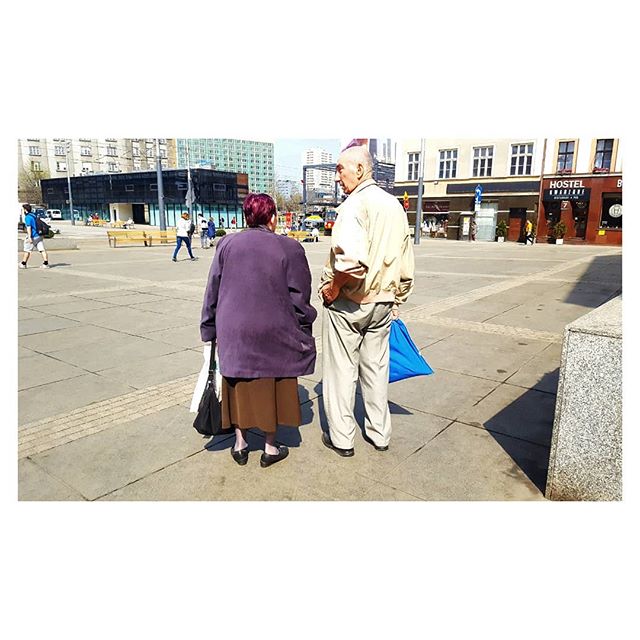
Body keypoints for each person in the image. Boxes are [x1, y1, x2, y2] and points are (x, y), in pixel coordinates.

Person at [200, 193, 317, 468]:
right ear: (273, 217)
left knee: (237, 385)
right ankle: (269, 447)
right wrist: (304, 325)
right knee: (272, 382)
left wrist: (208, 328)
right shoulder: (289, 247)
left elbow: (212, 290)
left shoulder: (227, 243)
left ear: (246, 217)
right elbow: (300, 296)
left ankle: (240, 444)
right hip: (274, 328)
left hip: (233, 329)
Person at [319, 145, 415, 456]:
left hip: (350, 302)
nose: (337, 177)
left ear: (359, 170)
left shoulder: (352, 206)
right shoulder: (394, 207)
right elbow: (406, 263)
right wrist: (396, 298)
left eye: (340, 169)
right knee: (375, 370)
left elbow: (352, 264)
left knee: (341, 371)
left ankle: (343, 439)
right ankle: (379, 433)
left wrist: (333, 288)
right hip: (384, 302)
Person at [19, 204, 50, 269]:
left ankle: (23, 264)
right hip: (39, 235)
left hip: (33, 236)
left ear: (25, 210)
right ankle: (46, 264)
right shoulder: (34, 215)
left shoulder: (28, 217)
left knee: (27, 250)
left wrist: (30, 237)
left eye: (23, 209)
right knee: (42, 249)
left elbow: (29, 228)